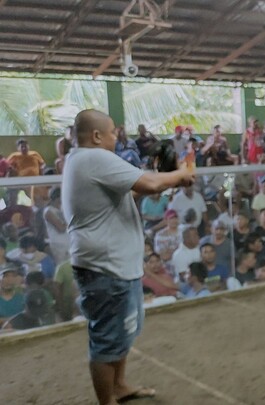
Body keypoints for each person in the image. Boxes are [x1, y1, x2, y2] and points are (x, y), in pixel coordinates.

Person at [62, 109, 194, 405]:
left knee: (123, 331)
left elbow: (131, 194)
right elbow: (149, 184)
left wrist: (166, 181)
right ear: (96, 136)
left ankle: (119, 386)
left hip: (117, 265)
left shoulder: (82, 160)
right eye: (112, 132)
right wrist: (181, 174)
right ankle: (106, 400)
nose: (116, 137)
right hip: (104, 268)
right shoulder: (92, 157)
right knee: (108, 338)